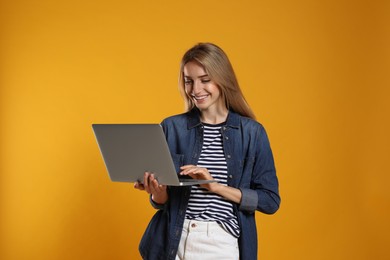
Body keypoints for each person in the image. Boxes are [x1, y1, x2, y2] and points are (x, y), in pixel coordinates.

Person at [134, 42, 280, 260]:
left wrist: (215, 187)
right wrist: (157, 191)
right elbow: (162, 202)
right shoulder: (171, 127)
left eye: (205, 80)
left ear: (223, 79)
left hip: (218, 242)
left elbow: (270, 201)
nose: (195, 90)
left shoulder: (251, 133)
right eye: (188, 81)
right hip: (172, 240)